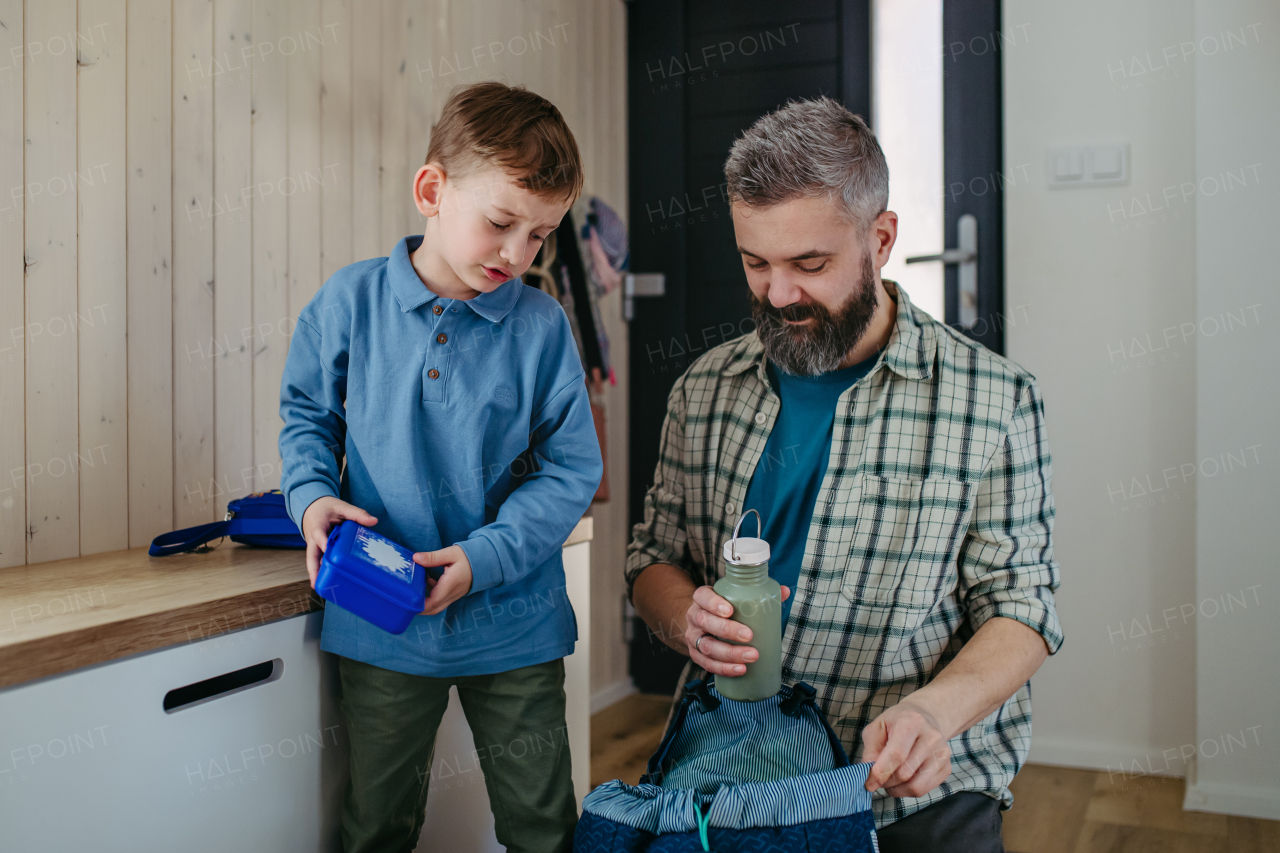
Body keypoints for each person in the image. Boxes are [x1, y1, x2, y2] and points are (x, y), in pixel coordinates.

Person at [626, 96, 1062, 853]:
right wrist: (681, 619)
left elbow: (1021, 608)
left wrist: (934, 713)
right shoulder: (703, 387)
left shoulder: (996, 401)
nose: (780, 293)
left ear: (882, 237)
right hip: (730, 767)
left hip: (905, 785)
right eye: (755, 263)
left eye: (811, 263)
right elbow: (652, 558)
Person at [278, 82, 602, 853]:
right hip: (381, 622)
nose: (520, 254)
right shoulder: (346, 303)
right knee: (377, 825)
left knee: (542, 826)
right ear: (431, 190)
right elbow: (307, 419)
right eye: (501, 224)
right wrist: (311, 497)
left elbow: (570, 468)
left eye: (541, 236)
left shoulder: (543, 325)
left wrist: (483, 557)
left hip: (516, 623)